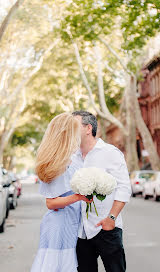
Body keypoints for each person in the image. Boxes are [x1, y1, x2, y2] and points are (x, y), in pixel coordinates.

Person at [71, 110, 131, 272]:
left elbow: (124, 188)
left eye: (74, 126)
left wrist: (111, 218)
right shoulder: (72, 157)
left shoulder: (110, 153)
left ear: (88, 128)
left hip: (107, 228)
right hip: (81, 231)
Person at [31, 113, 92, 272]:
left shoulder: (71, 159)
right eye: (75, 130)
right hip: (59, 225)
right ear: (67, 134)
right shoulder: (57, 162)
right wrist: (78, 197)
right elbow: (51, 203)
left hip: (70, 223)